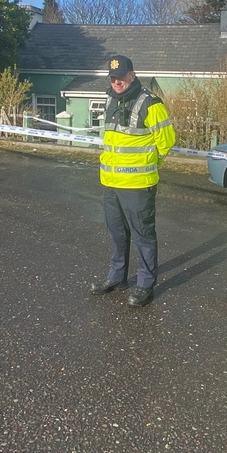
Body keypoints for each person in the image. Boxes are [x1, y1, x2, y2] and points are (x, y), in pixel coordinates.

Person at [89, 55, 176, 307]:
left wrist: (149, 166)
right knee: (117, 233)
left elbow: (166, 141)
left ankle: (146, 284)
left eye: (122, 76)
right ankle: (117, 278)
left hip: (138, 186)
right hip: (111, 184)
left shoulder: (151, 103)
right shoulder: (109, 101)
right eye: (113, 77)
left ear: (132, 75)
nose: (117, 81)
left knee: (143, 235)